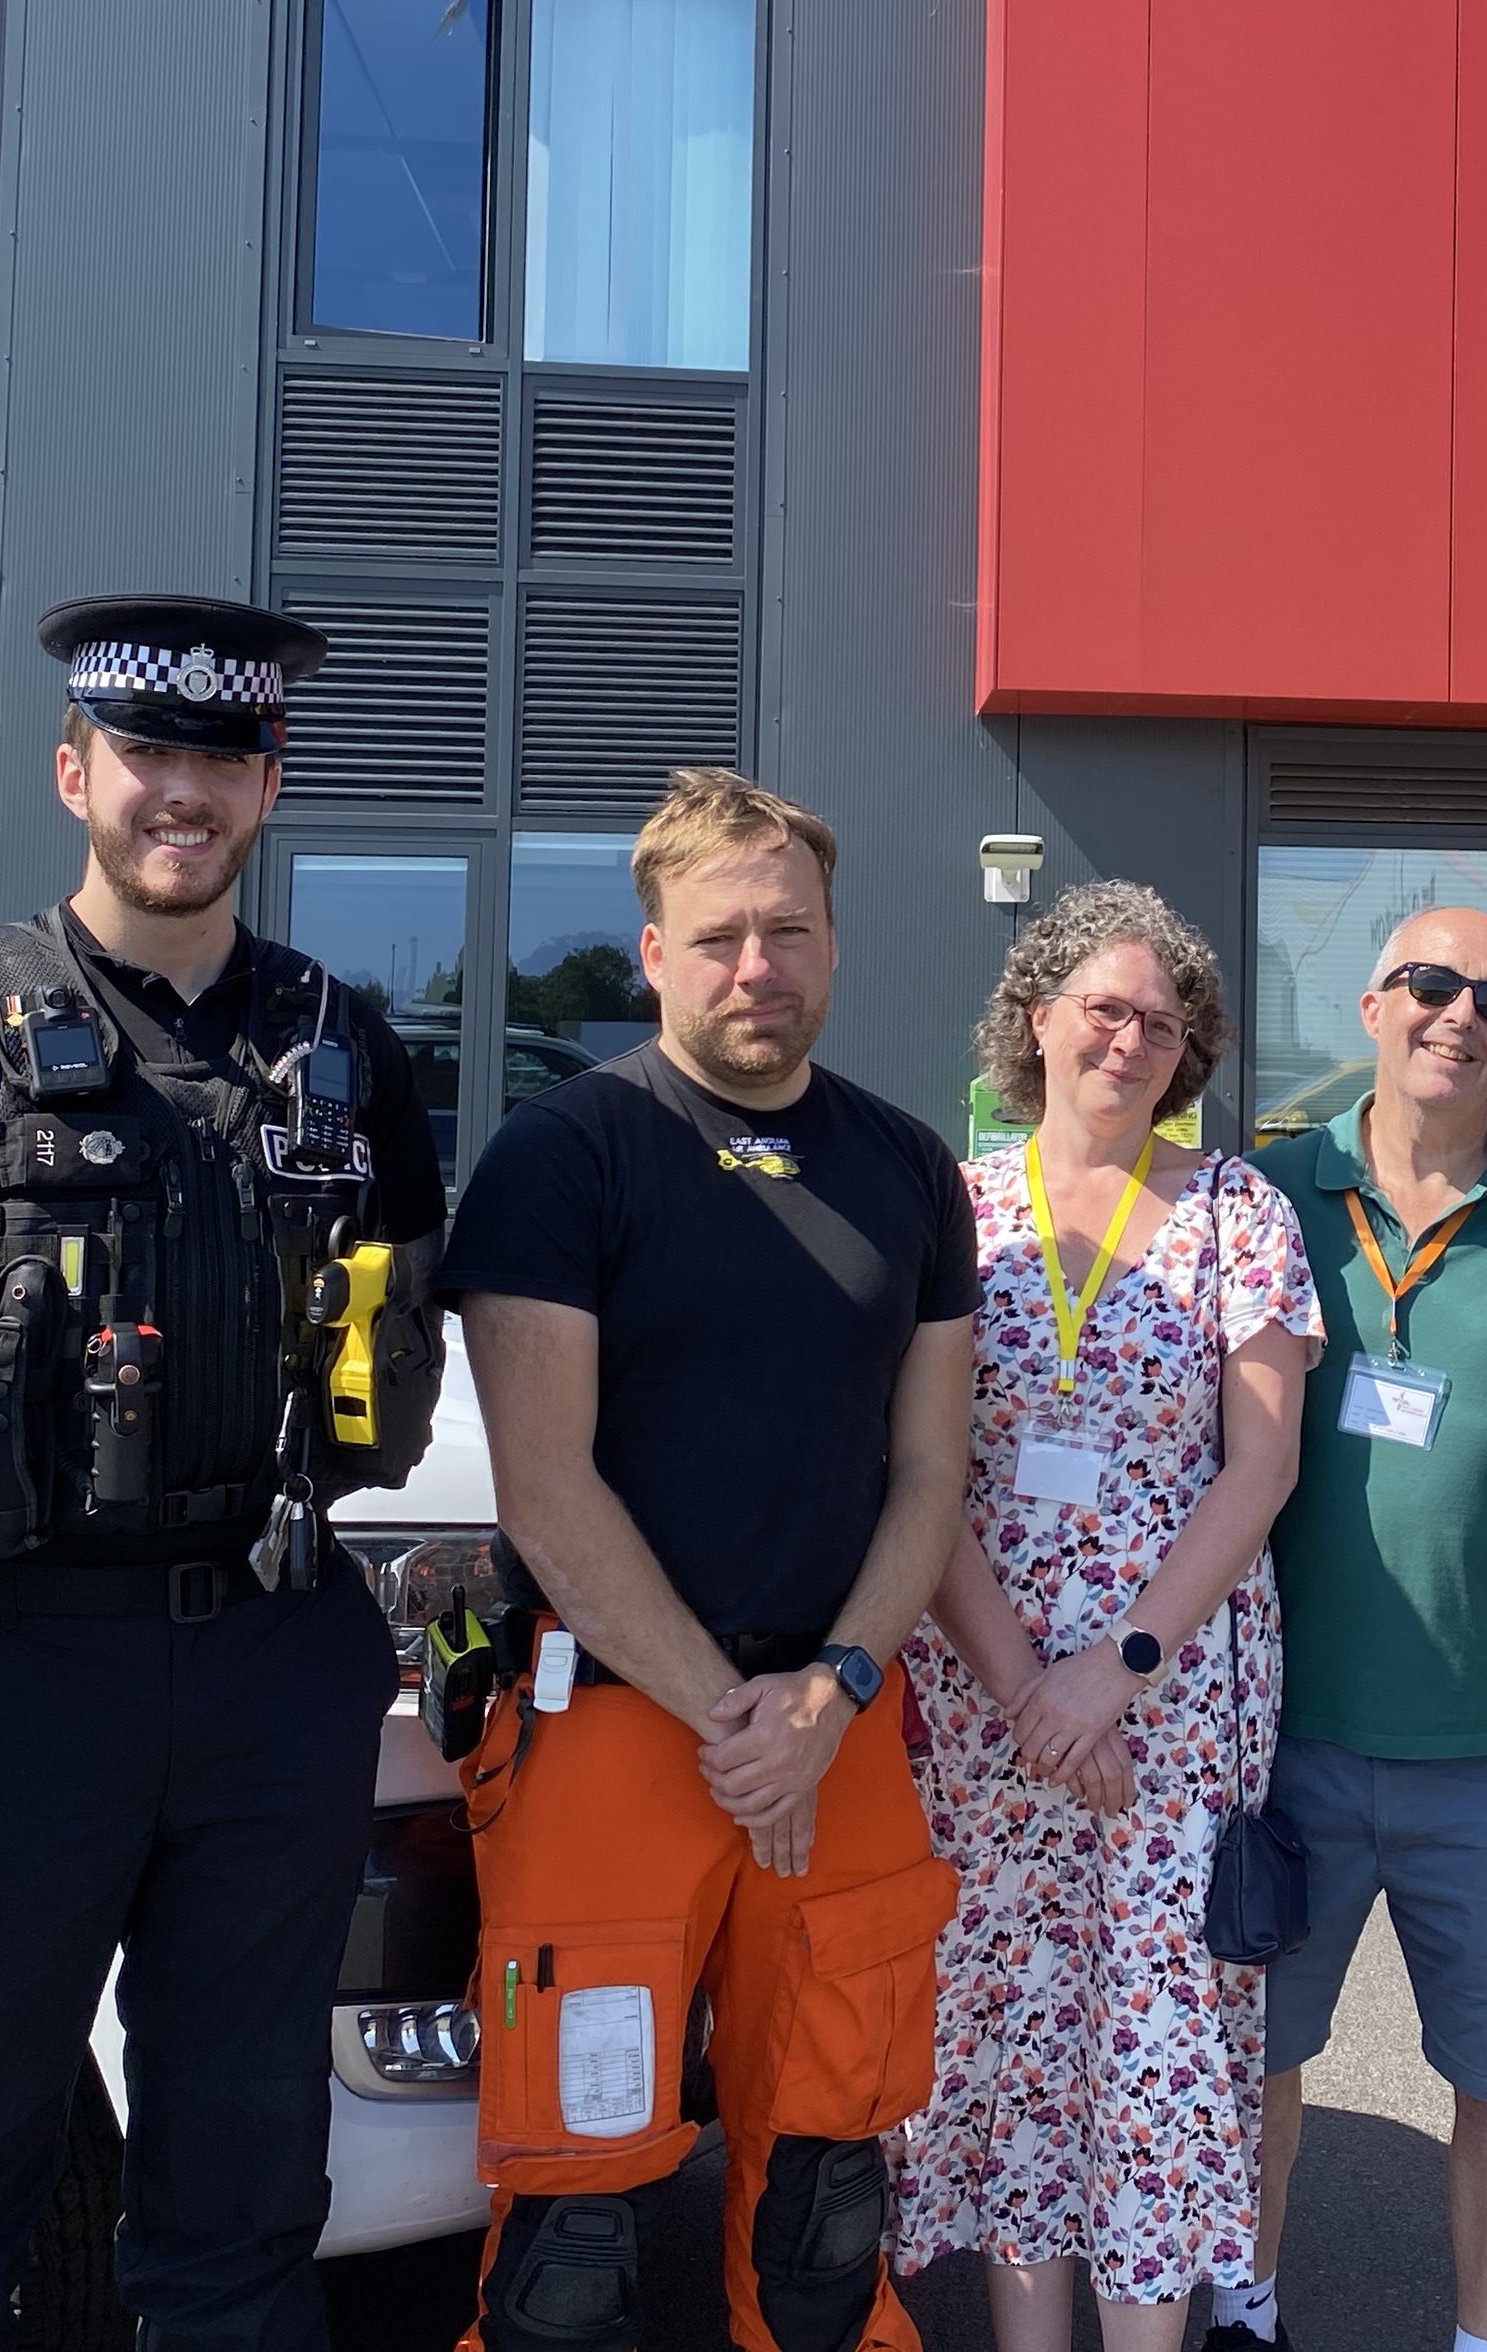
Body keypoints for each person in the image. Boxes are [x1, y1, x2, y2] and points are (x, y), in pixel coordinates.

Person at [0, 595, 451, 2352]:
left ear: (270, 784)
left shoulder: (347, 1052)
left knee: (245, 2190)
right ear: (76, 774)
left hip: (272, 1661)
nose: (180, 790)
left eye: (223, 755)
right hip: (10, 1674)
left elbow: (403, 1332)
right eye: (144, 752)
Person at [442, 766, 973, 2352]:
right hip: (617, 1723)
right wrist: (740, 1721)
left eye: (789, 931)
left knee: (829, 2198)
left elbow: (932, 1471)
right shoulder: (565, 1154)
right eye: (722, 937)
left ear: (833, 943)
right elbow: (545, 1486)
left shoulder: (906, 1167)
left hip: (839, 1728)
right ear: (655, 953)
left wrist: (830, 1692)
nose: (759, 967)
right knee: (574, 2228)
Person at [895, 879, 1317, 2352]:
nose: (1132, 1041)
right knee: (1013, 2023)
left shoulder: (1239, 1212)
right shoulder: (953, 1208)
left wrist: (1113, 1673)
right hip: (982, 1699)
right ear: (1037, 1019)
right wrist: (1031, 1687)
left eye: (1164, 1023)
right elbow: (920, 1472)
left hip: (1175, 1699)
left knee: (1156, 2036)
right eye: (1105, 1009)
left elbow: (1262, 1467)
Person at [1237, 906, 1487, 2352]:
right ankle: (1246, 2313)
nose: (1461, 1015)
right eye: (1430, 983)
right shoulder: (1266, 1197)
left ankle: (1486, 2343)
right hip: (1278, 1743)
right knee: (1248, 2063)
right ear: (1371, 1006)